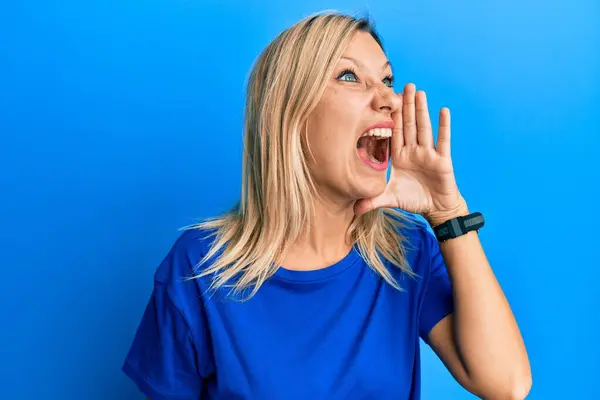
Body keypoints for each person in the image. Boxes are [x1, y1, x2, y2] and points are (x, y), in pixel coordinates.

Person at [122, 11, 531, 400]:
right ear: (289, 114)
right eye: (350, 76)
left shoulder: (407, 251)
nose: (388, 98)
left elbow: (506, 384)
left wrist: (448, 213)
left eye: (388, 79)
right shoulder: (199, 266)